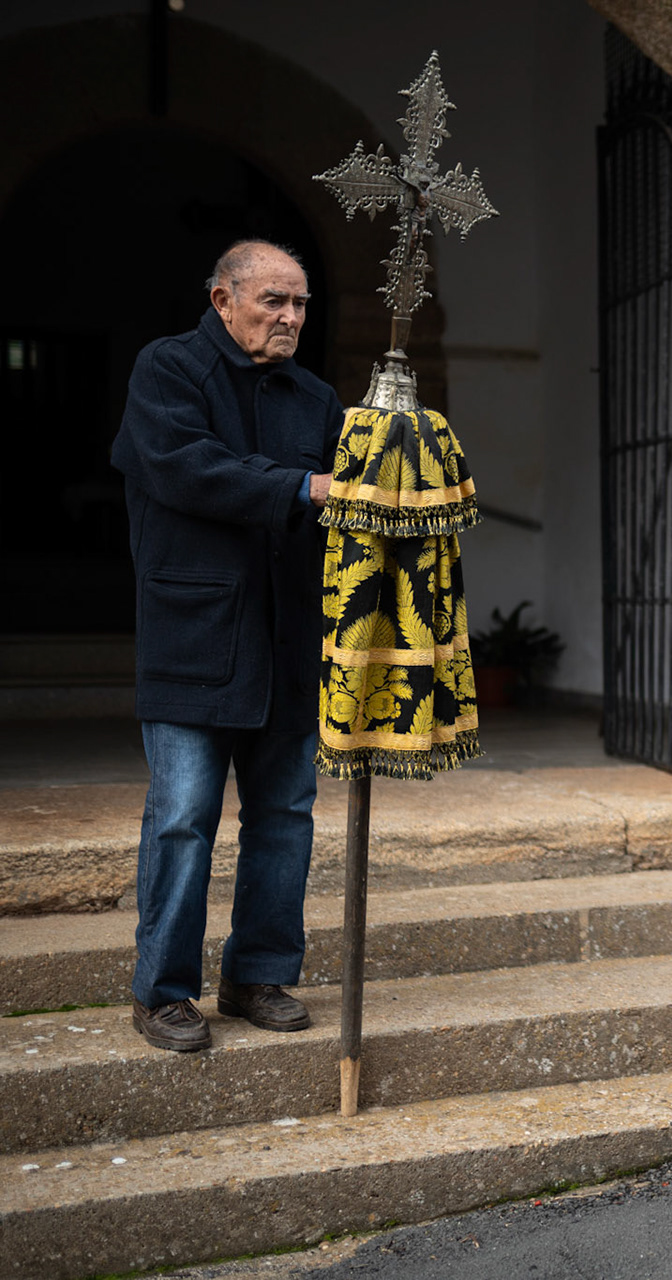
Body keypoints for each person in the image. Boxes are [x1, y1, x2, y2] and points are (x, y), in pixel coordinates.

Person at [111, 240, 344, 1052]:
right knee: (182, 816)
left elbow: (350, 496)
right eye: (273, 301)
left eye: (301, 304)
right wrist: (303, 486)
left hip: (288, 639)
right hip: (195, 636)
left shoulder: (314, 396)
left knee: (283, 815)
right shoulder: (168, 371)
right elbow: (189, 470)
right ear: (222, 300)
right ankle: (163, 991)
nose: (289, 318)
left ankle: (258, 974)